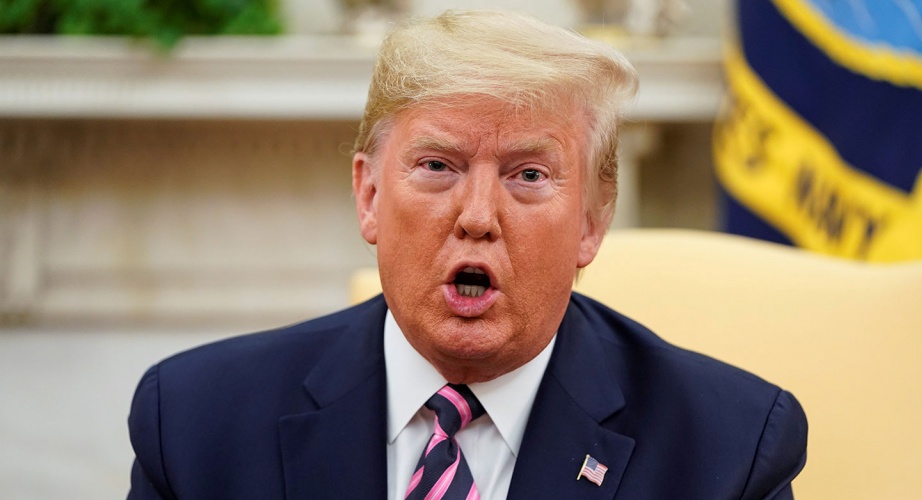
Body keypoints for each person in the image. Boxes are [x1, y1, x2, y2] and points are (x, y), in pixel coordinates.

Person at [127, 10, 807, 500]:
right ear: (368, 196)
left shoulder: (728, 452)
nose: (478, 217)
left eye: (529, 176)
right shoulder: (196, 423)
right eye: (437, 165)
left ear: (592, 224)